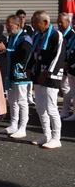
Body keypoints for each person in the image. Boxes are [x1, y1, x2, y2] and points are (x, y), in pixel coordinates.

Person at [26, 10, 66, 149]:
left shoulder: (56, 35)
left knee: (51, 108)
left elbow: (58, 56)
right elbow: (33, 54)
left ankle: (56, 138)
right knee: (40, 107)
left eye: (35, 23)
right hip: (38, 75)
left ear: (45, 22)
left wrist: (48, 72)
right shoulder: (39, 35)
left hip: (50, 77)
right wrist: (28, 68)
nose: (33, 25)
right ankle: (46, 135)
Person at [0, 15, 32, 138]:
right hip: (11, 73)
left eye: (9, 25)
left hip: (21, 75)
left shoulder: (25, 39)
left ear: (17, 25)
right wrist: (1, 51)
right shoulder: (12, 37)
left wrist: (5, 50)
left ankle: (23, 127)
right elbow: (9, 52)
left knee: (22, 101)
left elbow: (23, 56)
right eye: (6, 25)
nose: (7, 28)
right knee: (12, 101)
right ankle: (13, 124)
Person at [57, 12, 75, 117]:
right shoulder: (59, 32)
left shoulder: (71, 34)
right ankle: (65, 110)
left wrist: (66, 62)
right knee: (64, 87)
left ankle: (66, 110)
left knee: (66, 87)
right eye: (58, 22)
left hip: (69, 66)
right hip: (62, 64)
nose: (59, 24)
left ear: (68, 22)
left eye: (61, 22)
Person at [16, 9, 36, 104]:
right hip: (21, 56)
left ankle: (30, 96)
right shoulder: (16, 29)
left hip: (29, 53)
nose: (22, 19)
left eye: (23, 17)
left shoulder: (29, 28)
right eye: (20, 17)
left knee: (29, 77)